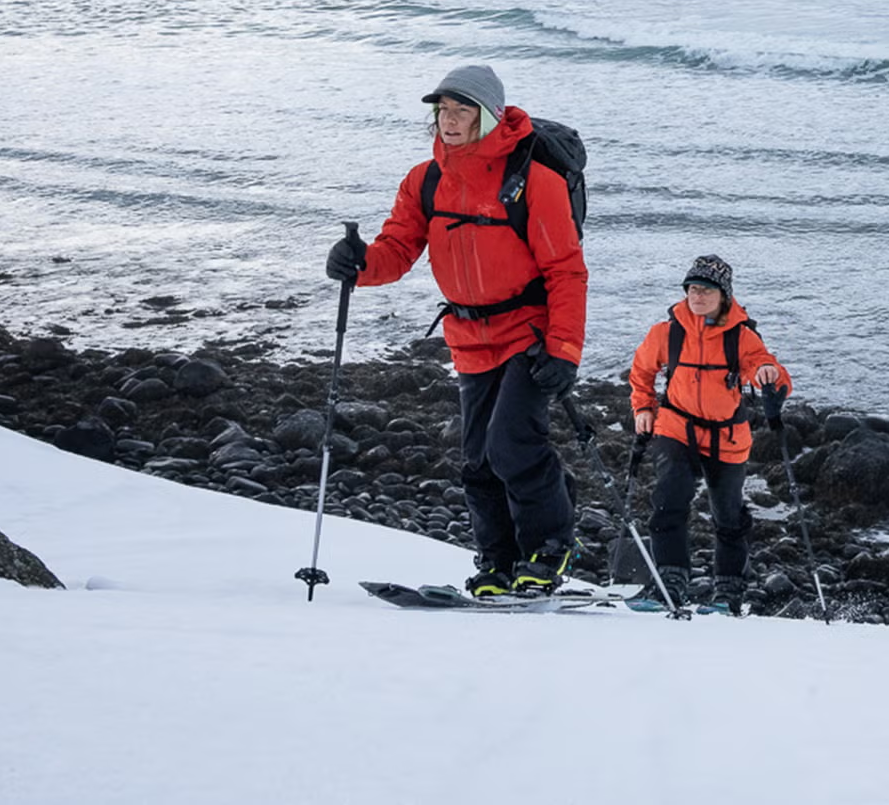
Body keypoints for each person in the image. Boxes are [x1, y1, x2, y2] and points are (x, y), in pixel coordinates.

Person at [326, 64, 587, 595]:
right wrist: (358, 263)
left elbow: (566, 270)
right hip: (470, 339)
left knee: (512, 443)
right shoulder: (425, 181)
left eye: (461, 109)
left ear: (488, 116)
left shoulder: (534, 182)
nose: (448, 120)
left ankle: (550, 549)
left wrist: (564, 349)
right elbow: (396, 251)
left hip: (527, 332)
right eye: (442, 109)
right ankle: (498, 561)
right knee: (477, 460)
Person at [627, 254, 790, 612]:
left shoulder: (741, 336)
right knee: (669, 500)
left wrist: (768, 375)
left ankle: (728, 594)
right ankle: (669, 584)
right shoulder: (666, 332)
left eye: (706, 290)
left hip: (727, 436)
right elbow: (641, 372)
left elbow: (765, 365)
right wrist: (642, 408)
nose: (697, 296)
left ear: (724, 295)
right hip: (676, 425)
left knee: (729, 516)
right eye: (692, 289)